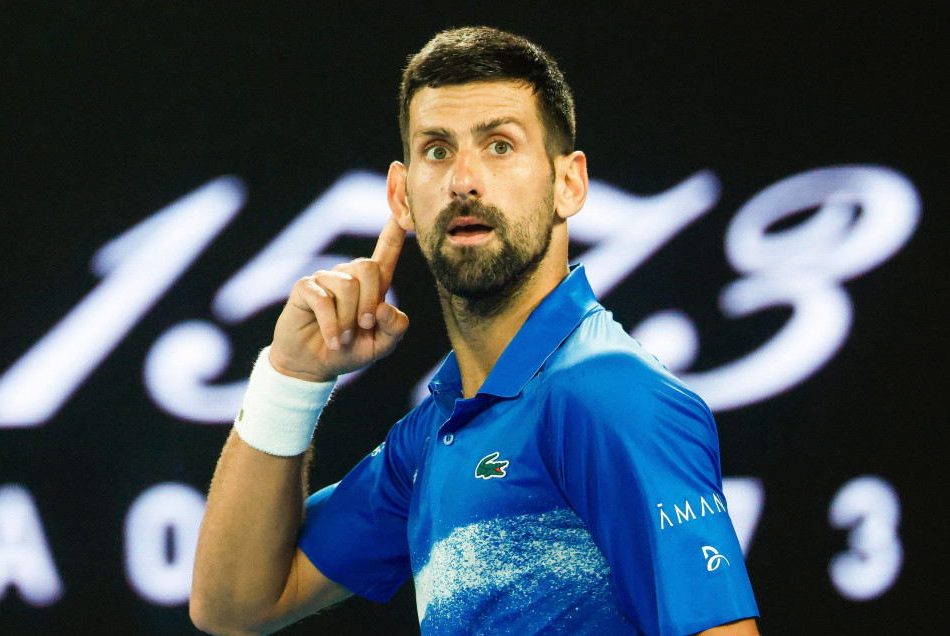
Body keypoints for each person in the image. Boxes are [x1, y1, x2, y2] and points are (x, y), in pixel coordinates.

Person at [190, 26, 760, 636]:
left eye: (499, 145)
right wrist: (291, 377)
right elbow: (234, 605)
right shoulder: (437, 433)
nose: (464, 178)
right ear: (402, 197)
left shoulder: (607, 394)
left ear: (569, 184)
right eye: (437, 150)